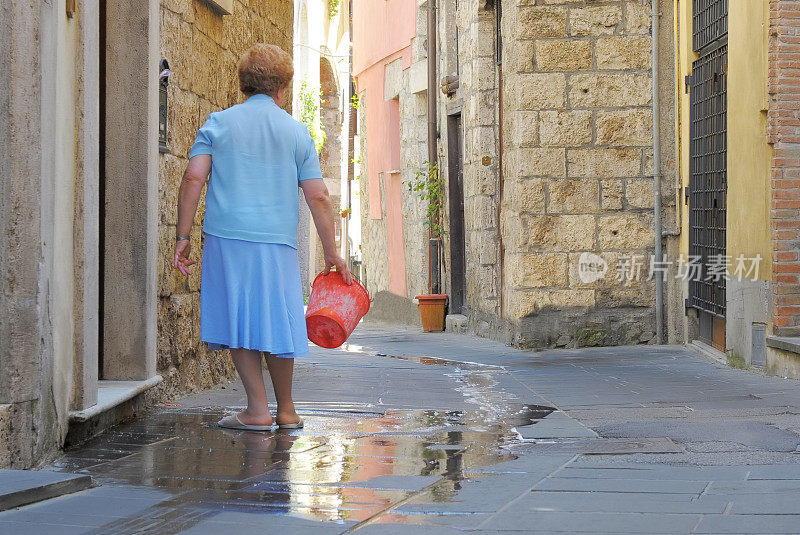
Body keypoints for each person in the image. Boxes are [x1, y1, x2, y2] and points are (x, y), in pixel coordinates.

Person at [172, 43, 353, 432]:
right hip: (277, 241)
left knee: (239, 317)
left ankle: (257, 408)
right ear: (282, 90)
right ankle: (286, 409)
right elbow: (318, 195)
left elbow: (192, 178)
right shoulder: (296, 133)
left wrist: (182, 236)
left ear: (243, 85)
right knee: (280, 317)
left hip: (227, 237)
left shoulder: (217, 123)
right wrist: (332, 252)